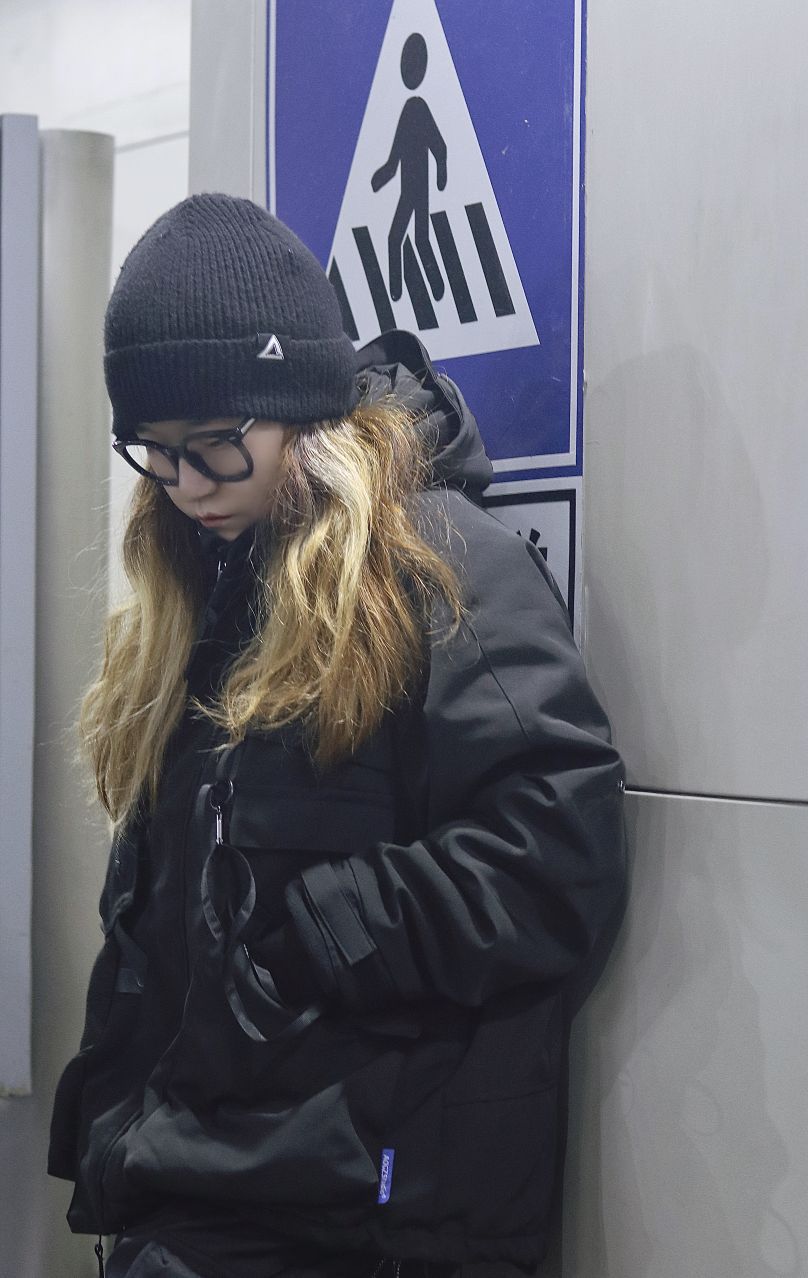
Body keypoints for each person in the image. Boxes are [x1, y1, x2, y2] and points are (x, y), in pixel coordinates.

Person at [48, 193, 625, 1278]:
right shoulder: (210, 580)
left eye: (215, 448)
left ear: (301, 412)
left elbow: (559, 854)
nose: (184, 486)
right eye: (155, 453)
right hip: (200, 1185)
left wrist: (327, 927)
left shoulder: (438, 569)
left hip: (355, 1213)